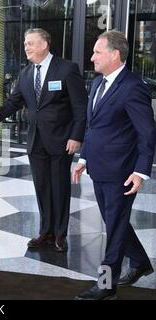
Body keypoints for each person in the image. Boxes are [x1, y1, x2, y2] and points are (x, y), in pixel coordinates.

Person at [73, 30, 156, 300]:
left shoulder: (133, 87)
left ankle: (107, 285)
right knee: (115, 221)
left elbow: (147, 133)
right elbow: (93, 126)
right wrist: (83, 158)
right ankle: (141, 263)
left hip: (122, 172)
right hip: (98, 168)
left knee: (115, 227)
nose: (92, 57)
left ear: (115, 54)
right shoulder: (97, 83)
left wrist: (141, 172)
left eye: (97, 52)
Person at [0, 28, 87, 252]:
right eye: (25, 43)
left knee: (60, 188)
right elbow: (14, 101)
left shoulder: (66, 69)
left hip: (61, 140)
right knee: (42, 187)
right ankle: (45, 232)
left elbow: (80, 107)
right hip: (35, 142)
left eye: (30, 43)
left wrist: (77, 136)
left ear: (44, 44)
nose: (26, 47)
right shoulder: (26, 74)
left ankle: (60, 235)